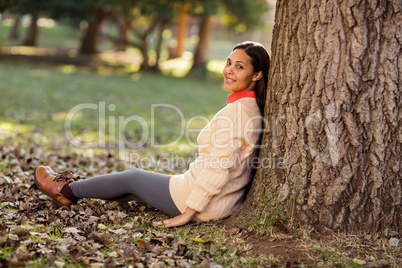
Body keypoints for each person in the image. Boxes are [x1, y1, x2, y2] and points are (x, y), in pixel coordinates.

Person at [33, 41, 271, 228]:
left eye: (239, 67)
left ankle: (64, 190)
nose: (229, 70)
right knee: (134, 188)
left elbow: (220, 166)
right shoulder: (246, 107)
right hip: (215, 198)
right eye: (229, 62)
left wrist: (189, 212)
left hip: (205, 204)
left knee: (133, 178)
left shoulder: (238, 114)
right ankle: (68, 194)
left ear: (257, 75)